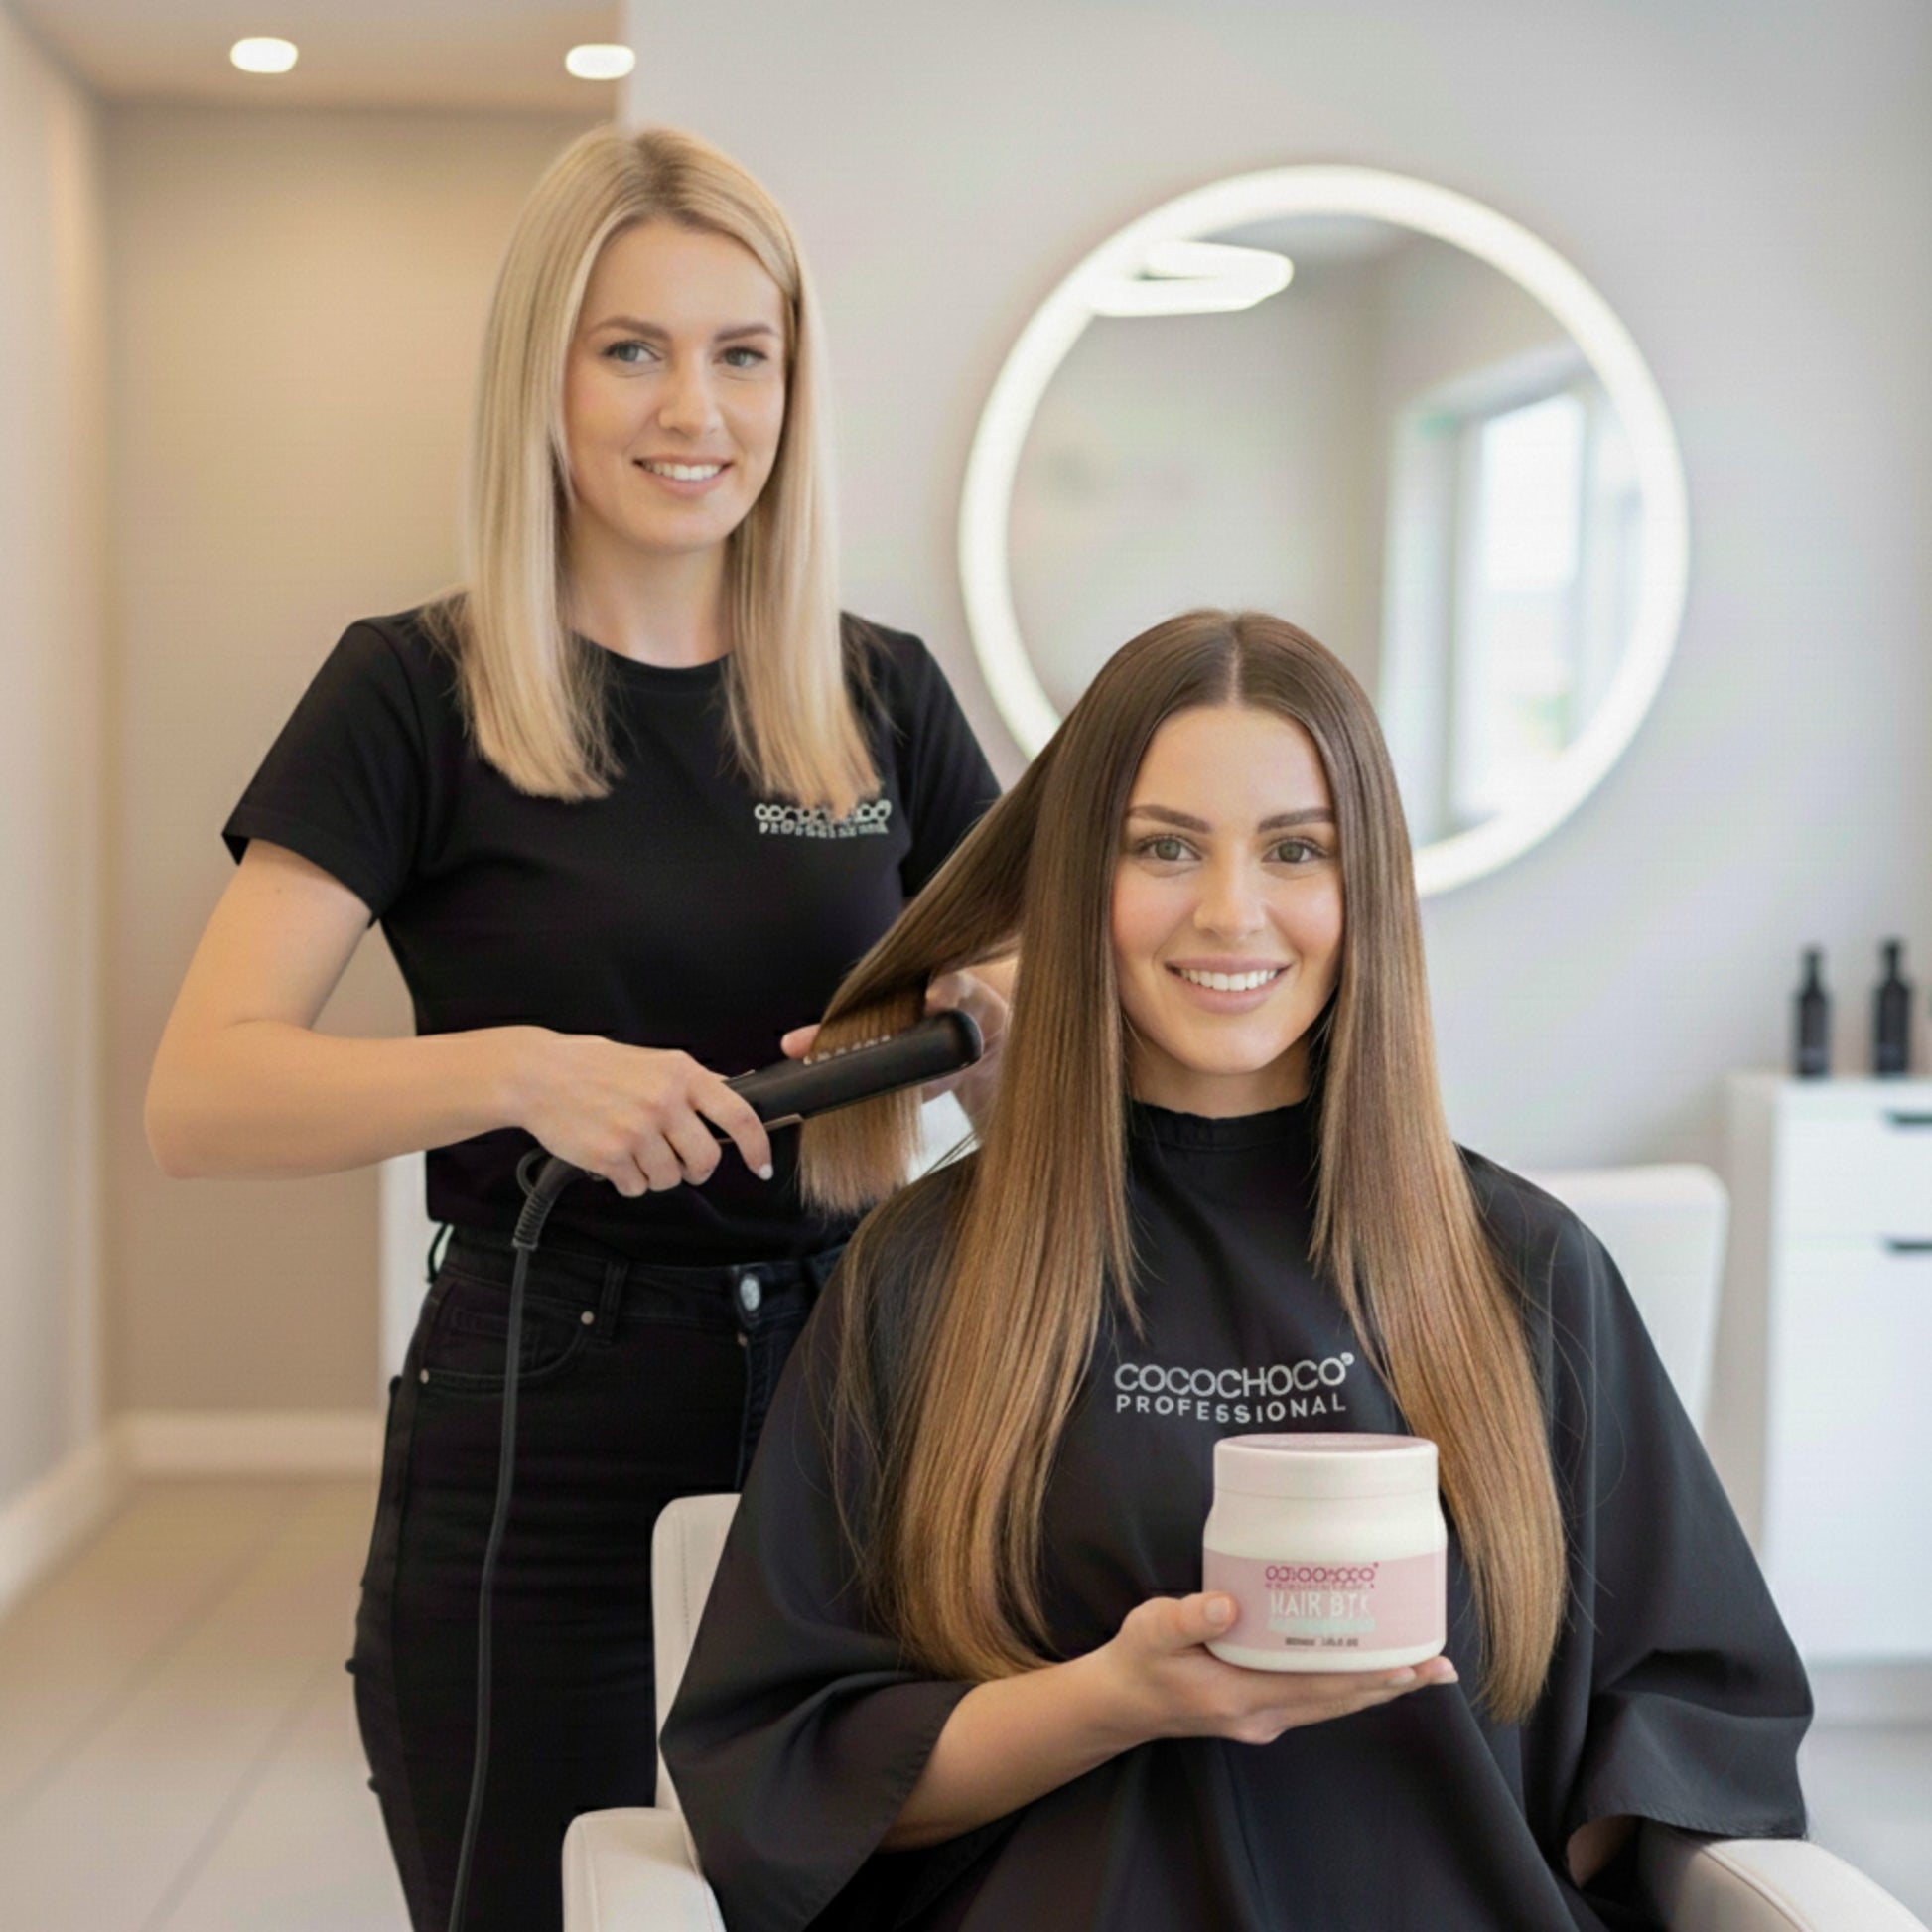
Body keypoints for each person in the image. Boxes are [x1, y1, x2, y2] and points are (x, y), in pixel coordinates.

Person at [143, 125, 1007, 1932]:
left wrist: (1004, 1034)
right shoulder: (413, 690)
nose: (692, 405)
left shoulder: (882, 701)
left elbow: (1038, 1041)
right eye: (630, 347)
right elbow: (201, 1091)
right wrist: (519, 1069)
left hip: (864, 1400)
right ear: (542, 375)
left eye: (739, 352)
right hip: (543, 1401)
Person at [661, 610, 1811, 1932]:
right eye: (1163, 846)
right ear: (1078, 878)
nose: (1228, 910)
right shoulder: (926, 1276)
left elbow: (1701, 1704)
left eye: (1294, 849)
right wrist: (1114, 1700)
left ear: (1360, 887)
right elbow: (774, 1770)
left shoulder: (1524, 1268)